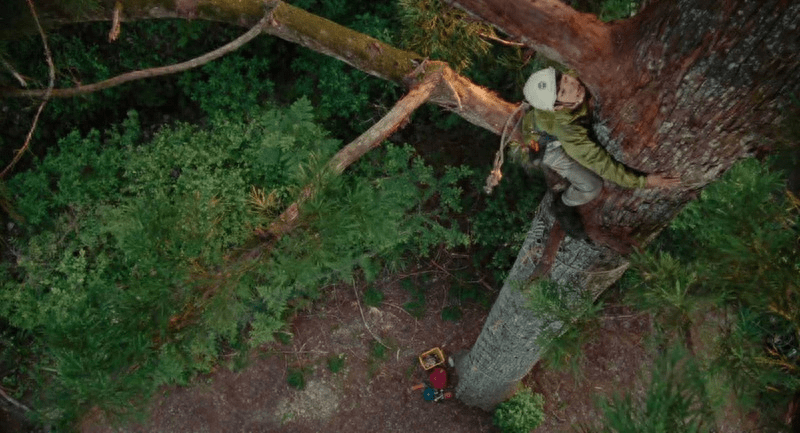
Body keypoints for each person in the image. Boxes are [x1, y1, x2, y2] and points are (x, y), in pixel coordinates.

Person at [511, 67, 679, 236]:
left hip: (541, 119)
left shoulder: (573, 84)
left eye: (566, 79)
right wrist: (644, 181)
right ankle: (564, 202)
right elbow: (602, 164)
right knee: (592, 186)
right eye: (563, 91)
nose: (573, 85)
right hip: (545, 145)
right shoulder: (569, 134)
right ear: (557, 107)